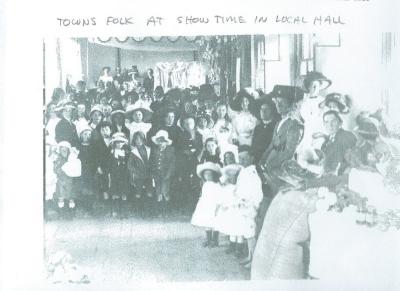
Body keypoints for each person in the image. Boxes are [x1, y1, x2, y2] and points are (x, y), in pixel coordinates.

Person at [259, 85, 305, 195]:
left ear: (290, 104)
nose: (278, 105)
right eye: (276, 102)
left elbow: (289, 153)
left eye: (282, 102)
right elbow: (271, 145)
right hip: (270, 169)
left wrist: (271, 165)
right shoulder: (279, 123)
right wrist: (262, 160)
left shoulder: (295, 125)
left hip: (283, 172)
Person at [235, 146, 263, 269]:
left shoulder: (252, 174)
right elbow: (239, 188)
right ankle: (250, 256)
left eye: (245, 158)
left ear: (252, 158)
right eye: (240, 158)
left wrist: (253, 205)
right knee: (247, 233)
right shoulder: (243, 171)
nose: (242, 160)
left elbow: (257, 193)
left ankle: (254, 260)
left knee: (251, 233)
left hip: (250, 207)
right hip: (242, 205)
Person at [297, 71, 332, 157]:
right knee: (304, 152)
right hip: (309, 131)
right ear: (308, 87)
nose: (314, 88)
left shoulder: (323, 101)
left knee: (319, 152)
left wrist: (323, 134)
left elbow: (327, 119)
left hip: (321, 130)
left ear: (320, 87)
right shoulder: (305, 103)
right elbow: (305, 118)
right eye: (312, 86)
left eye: (316, 86)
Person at [191, 162, 222, 248]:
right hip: (206, 205)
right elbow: (203, 195)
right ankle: (208, 239)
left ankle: (215, 240)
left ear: (214, 175)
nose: (207, 176)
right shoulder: (205, 184)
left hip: (214, 205)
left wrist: (217, 207)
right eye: (205, 174)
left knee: (215, 223)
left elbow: (219, 196)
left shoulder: (217, 185)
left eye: (210, 174)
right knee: (207, 222)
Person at [213, 164, 243, 255]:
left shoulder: (240, 187)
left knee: (239, 230)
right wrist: (221, 206)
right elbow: (223, 197)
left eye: (234, 176)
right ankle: (232, 246)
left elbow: (240, 198)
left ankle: (239, 249)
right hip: (230, 210)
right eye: (230, 176)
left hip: (239, 210)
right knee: (232, 229)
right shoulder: (227, 188)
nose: (232, 178)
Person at [150, 130, 176, 217]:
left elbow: (172, 164)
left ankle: (167, 212)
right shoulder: (154, 150)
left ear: (166, 142)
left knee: (165, 192)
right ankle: (160, 211)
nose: (161, 143)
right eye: (159, 141)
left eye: (163, 141)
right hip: (157, 175)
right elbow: (152, 162)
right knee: (158, 192)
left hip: (166, 175)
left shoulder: (170, 150)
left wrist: (168, 174)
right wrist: (153, 173)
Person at [54, 141, 81, 219]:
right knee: (61, 197)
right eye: (62, 150)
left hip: (70, 181)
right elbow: (56, 169)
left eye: (66, 150)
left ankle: (71, 213)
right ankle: (61, 213)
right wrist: (62, 170)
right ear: (60, 150)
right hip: (61, 181)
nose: (64, 151)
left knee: (71, 197)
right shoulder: (58, 159)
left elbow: (76, 168)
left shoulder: (71, 159)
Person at [128, 131, 153, 216]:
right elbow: (129, 165)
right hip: (138, 175)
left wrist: (151, 170)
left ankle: (148, 210)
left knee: (149, 191)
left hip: (148, 174)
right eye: (136, 139)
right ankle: (138, 210)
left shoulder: (148, 149)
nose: (138, 141)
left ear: (143, 140)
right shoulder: (133, 151)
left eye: (140, 139)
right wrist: (136, 171)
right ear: (134, 140)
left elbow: (152, 162)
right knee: (138, 192)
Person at [108, 132, 131, 218]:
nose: (119, 144)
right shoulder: (112, 152)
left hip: (123, 175)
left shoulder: (126, 152)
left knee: (123, 193)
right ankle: (115, 210)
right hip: (114, 175)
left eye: (121, 142)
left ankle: (123, 211)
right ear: (114, 143)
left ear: (124, 143)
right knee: (115, 193)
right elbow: (109, 164)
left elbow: (129, 164)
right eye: (117, 142)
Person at [77, 127, 95, 216]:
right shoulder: (78, 146)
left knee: (90, 187)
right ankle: (84, 207)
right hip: (82, 170)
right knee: (83, 188)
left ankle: (90, 208)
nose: (87, 136)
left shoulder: (93, 146)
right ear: (81, 136)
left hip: (91, 170)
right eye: (85, 134)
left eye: (89, 134)